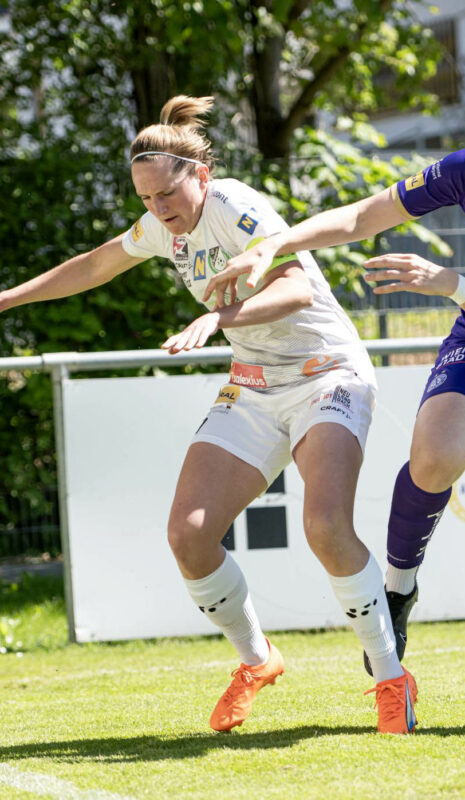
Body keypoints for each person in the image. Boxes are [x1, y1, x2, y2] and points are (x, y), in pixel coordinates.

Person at [204, 69, 465, 731]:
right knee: (434, 458)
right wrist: (273, 245)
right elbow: (363, 215)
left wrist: (450, 283)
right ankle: (398, 592)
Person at [0, 95, 418, 735]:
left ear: (199, 175)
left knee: (326, 524)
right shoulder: (162, 225)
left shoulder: (233, 205)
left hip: (325, 372)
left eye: (166, 194)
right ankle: (259, 661)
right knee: (189, 535)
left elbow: (299, 287)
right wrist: (10, 298)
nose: (158, 211)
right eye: (145, 200)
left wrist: (217, 317)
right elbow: (97, 263)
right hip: (252, 383)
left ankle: (392, 677)